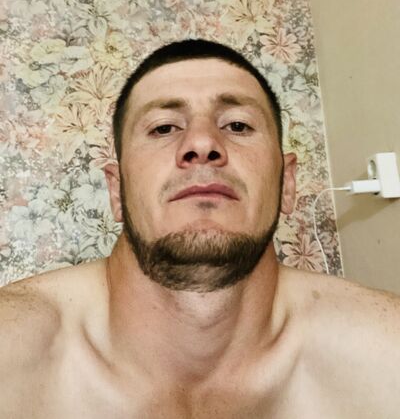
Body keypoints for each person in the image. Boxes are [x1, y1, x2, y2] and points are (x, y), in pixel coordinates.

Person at [1, 39, 399, 418]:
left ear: (287, 183)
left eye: (238, 125)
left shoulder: (386, 350)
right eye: (164, 127)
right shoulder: (13, 351)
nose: (203, 142)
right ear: (116, 190)